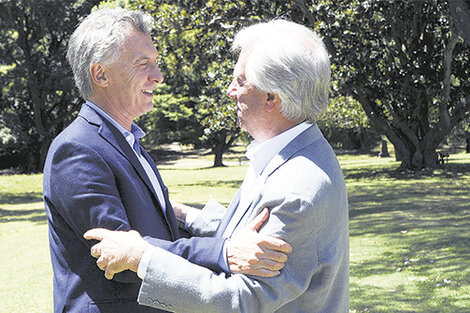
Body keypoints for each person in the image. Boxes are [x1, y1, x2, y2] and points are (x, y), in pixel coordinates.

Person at [85, 19, 349, 313]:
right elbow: (245, 233)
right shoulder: (288, 153)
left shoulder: (296, 189)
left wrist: (142, 257)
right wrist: (183, 215)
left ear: (271, 97)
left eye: (240, 81)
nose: (230, 91)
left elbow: (240, 301)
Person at [43, 8, 291, 313]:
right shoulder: (78, 151)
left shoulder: (125, 140)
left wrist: (213, 229)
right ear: (101, 74)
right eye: (143, 63)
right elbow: (120, 259)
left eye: (156, 62)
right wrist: (224, 252)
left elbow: (155, 235)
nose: (158, 76)